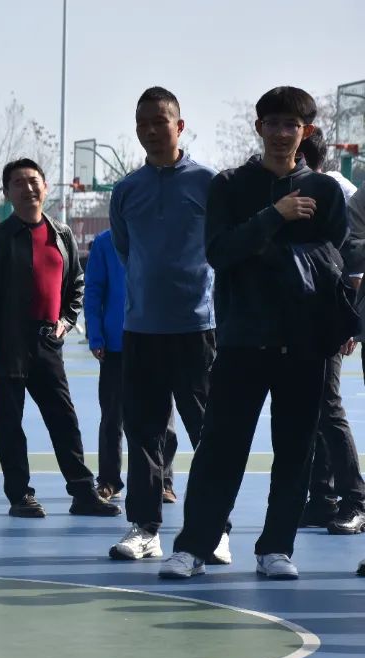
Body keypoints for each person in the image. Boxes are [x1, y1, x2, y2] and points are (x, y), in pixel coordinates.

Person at [161, 86, 361, 581]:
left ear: (306, 132)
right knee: (220, 449)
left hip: (306, 343)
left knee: (295, 452)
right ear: (259, 128)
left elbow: (331, 260)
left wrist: (267, 250)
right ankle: (194, 547)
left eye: (291, 124)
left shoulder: (326, 191)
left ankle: (276, 549)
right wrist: (276, 216)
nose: (281, 133)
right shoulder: (230, 185)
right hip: (242, 339)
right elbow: (219, 252)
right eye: (272, 123)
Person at [108, 87, 222, 562]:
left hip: (196, 329)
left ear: (180, 126)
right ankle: (144, 528)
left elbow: (224, 247)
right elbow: (126, 250)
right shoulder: (126, 190)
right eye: (143, 124)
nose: (151, 131)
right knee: (143, 432)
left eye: (160, 121)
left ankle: (214, 528)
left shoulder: (210, 184)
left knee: (209, 433)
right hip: (141, 330)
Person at [0, 158, 119, 519]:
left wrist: (66, 322)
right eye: (18, 183)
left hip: (47, 344)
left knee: (64, 419)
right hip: (8, 343)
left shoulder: (62, 234)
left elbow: (76, 284)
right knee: (10, 423)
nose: (28, 188)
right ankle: (20, 495)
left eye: (33, 181)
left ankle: (83, 493)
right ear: (7, 193)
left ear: (45, 187)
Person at [295, 131, 365, 534]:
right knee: (315, 407)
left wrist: (348, 319)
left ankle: (355, 498)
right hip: (302, 313)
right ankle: (322, 497)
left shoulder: (336, 191)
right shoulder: (291, 189)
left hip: (328, 313)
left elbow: (351, 260)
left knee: (328, 406)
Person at [83, 229, 178, 508]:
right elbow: (94, 291)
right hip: (116, 343)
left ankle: (164, 481)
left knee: (164, 416)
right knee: (112, 417)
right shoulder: (104, 243)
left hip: (157, 338)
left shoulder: (161, 236)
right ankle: (109, 480)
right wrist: (95, 335)